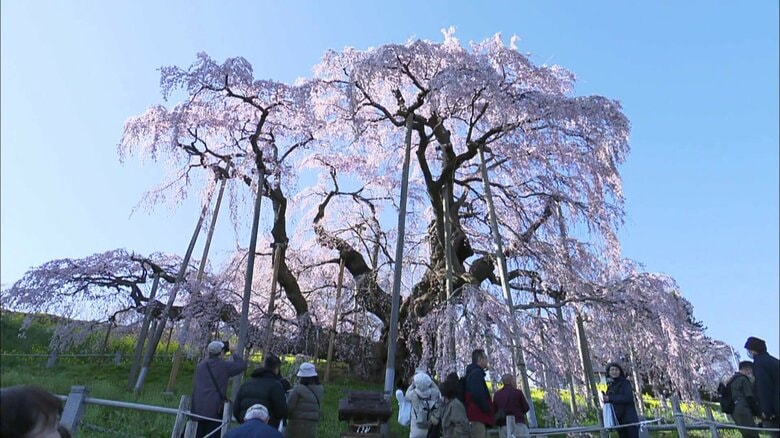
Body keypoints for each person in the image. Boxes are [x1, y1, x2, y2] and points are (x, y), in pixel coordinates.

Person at [192, 340, 248, 438]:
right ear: (221, 352)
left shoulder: (200, 366)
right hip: (215, 411)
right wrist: (233, 353)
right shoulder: (224, 366)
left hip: (198, 410)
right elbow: (242, 365)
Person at [234, 354, 289, 429]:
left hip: (245, 426)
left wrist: (243, 421)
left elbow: (236, 410)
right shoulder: (275, 386)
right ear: (277, 369)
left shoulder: (246, 384)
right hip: (267, 428)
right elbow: (281, 411)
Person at [745, 336, 779, 436]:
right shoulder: (773, 361)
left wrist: (766, 410)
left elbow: (763, 388)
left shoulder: (759, 363)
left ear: (753, 350)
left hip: (774, 410)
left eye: (749, 350)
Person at [285, 362, 324, 437]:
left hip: (296, 426)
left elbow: (289, 408)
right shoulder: (320, 389)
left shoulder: (298, 389)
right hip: (312, 426)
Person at [464, 349, 496, 438]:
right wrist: (487, 408)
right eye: (485, 358)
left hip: (475, 416)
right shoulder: (476, 374)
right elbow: (478, 394)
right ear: (479, 359)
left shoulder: (472, 373)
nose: (487, 360)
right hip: (477, 416)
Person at [602, 363, 639, 438]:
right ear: (608, 372)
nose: (614, 372)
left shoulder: (625, 383)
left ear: (620, 371)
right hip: (619, 420)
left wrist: (610, 398)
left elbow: (628, 397)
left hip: (629, 419)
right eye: (612, 370)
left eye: (616, 370)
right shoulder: (610, 386)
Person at [404, 371, 441, 438]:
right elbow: (438, 391)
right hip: (430, 429)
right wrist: (431, 382)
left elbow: (406, 394)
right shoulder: (433, 393)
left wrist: (412, 385)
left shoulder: (413, 394)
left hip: (416, 428)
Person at [728, 361, 760, 438]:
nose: (750, 372)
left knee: (745, 434)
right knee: (752, 434)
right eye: (749, 369)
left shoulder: (731, 380)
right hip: (743, 409)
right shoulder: (743, 379)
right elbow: (749, 396)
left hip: (734, 411)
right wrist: (757, 412)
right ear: (746, 369)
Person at [493, 374, 530, 438]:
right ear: (511, 381)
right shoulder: (518, 393)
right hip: (518, 424)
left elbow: (494, 410)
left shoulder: (497, 395)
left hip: (504, 426)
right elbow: (526, 408)